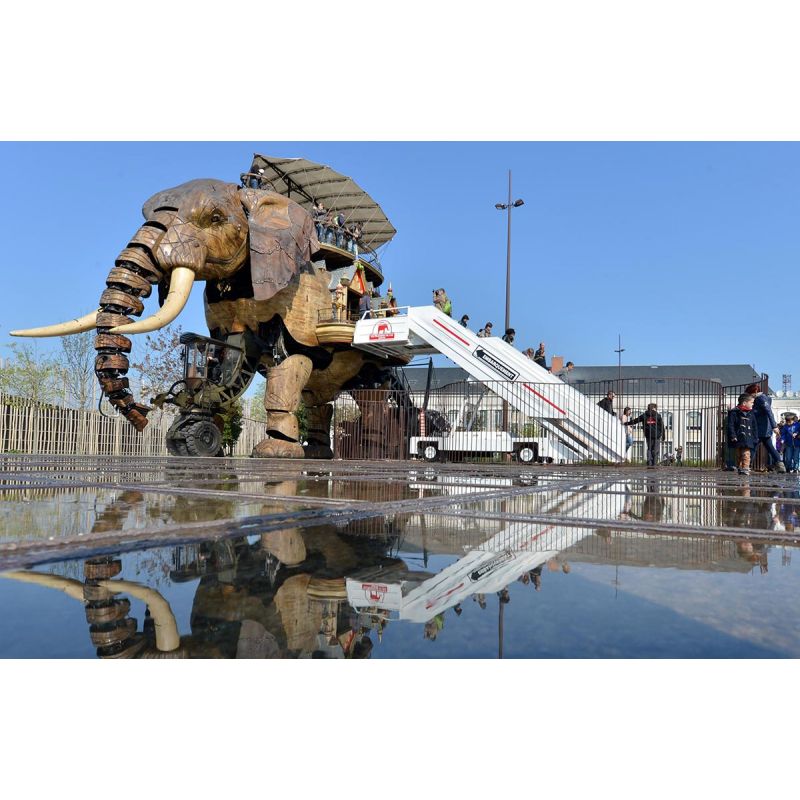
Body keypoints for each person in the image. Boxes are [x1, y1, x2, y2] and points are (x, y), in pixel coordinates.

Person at [746, 383, 786, 472]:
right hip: (765, 429)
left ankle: (747, 466)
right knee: (770, 447)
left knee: (753, 446)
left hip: (761, 428)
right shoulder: (764, 398)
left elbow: (769, 411)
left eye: (750, 393)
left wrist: (774, 426)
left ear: (755, 391)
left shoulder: (760, 398)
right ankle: (780, 465)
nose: (749, 395)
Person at [727, 393, 759, 476]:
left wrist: (755, 437)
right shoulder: (734, 412)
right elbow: (731, 425)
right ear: (744, 403)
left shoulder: (751, 413)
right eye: (751, 402)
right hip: (738, 437)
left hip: (748, 438)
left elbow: (754, 426)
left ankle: (745, 468)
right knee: (738, 455)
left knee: (746, 454)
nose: (753, 404)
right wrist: (733, 435)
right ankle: (740, 468)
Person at [625, 402, 665, 468]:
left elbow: (635, 421)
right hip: (656, 435)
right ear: (654, 408)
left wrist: (626, 423)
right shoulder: (658, 415)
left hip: (648, 435)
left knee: (649, 449)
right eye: (656, 408)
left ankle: (649, 462)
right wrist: (663, 436)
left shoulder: (644, 415)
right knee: (656, 450)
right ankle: (654, 463)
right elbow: (662, 426)